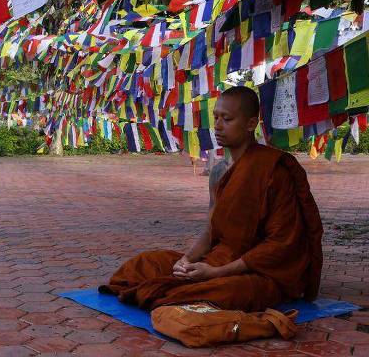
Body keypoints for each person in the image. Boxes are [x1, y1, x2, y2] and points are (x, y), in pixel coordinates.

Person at [100, 86, 323, 312]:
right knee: (143, 264)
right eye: (215, 117)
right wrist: (186, 261)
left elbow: (281, 244)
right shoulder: (218, 172)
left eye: (226, 119)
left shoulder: (274, 170)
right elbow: (210, 229)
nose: (217, 126)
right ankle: (176, 285)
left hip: (257, 271)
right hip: (216, 258)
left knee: (222, 292)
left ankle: (177, 290)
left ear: (250, 123)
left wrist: (215, 273)